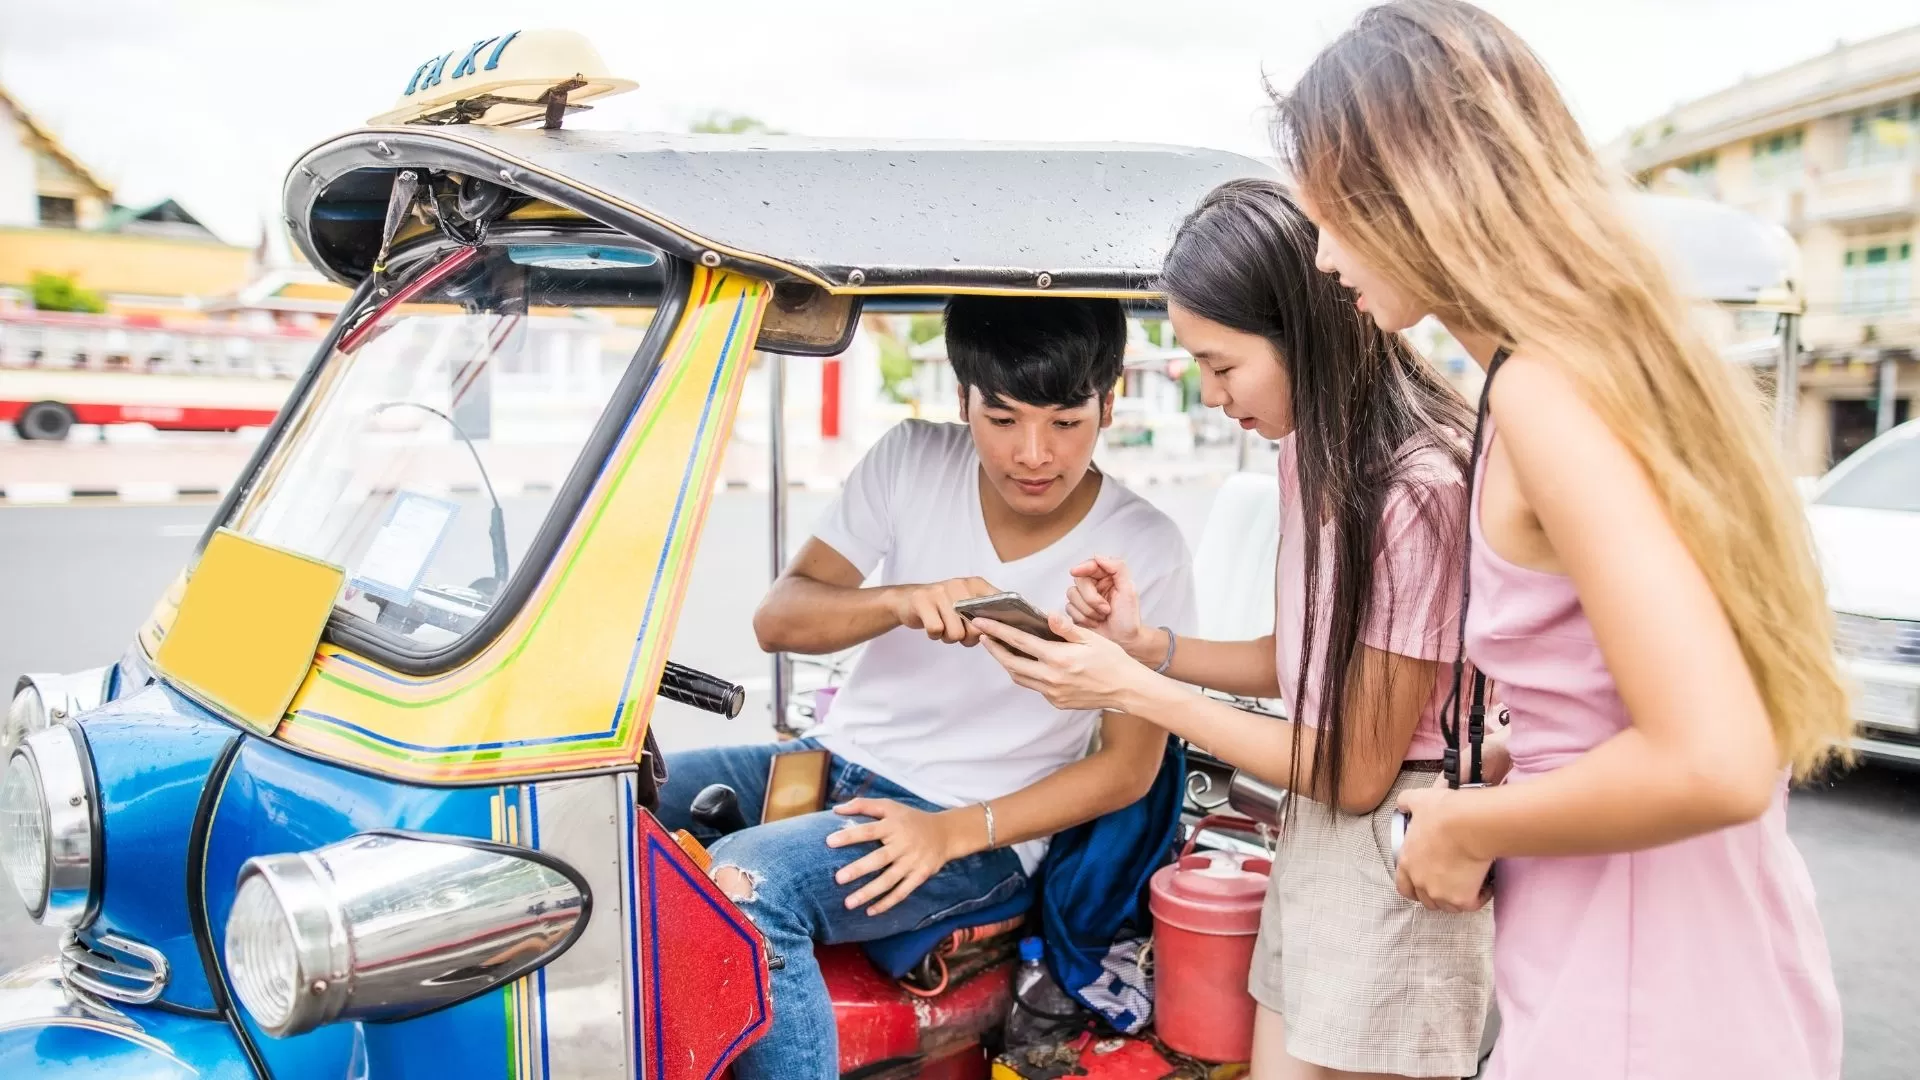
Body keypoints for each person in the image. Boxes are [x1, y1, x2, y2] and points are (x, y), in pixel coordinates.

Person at [1273, 3, 1849, 1077]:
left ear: (1415, 191)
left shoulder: (1545, 392)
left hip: (1637, 1007)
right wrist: (1518, 764)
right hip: (1715, 970)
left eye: (1333, 215)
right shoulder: (1599, 365)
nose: (1322, 255)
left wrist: (1464, 830)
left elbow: (1711, 758)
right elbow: (1660, 704)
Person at [974, 178, 1494, 1079]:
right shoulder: (1311, 454)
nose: (1214, 397)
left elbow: (1357, 767)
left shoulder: (1414, 489)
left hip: (1393, 851)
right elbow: (1300, 663)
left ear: (1306, 327)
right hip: (1320, 838)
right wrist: (1149, 647)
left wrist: (1136, 691)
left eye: (1223, 365)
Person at [653, 295, 1197, 1080]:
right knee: (599, 792)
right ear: (962, 398)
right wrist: (900, 600)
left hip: (978, 829)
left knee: (748, 887)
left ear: (1109, 404)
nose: (1034, 454)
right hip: (833, 756)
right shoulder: (911, 456)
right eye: (1003, 419)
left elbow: (1127, 770)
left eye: (1065, 422)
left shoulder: (1146, 544)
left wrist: (950, 833)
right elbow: (779, 620)